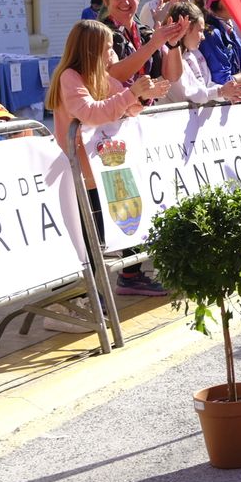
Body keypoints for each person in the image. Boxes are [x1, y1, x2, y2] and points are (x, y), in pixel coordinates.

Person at [47, 21, 174, 298]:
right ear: (91, 50)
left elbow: (129, 108)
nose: (112, 54)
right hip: (79, 174)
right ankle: (70, 302)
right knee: (84, 243)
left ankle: (89, 298)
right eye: (107, 48)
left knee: (99, 241)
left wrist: (142, 95)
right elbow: (90, 112)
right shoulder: (70, 77)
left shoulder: (101, 77)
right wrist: (132, 93)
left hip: (99, 173)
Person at [99, 0, 185, 89]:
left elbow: (172, 76)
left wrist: (174, 44)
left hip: (143, 106)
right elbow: (114, 76)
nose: (125, 2)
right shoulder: (99, 34)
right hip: (116, 106)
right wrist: (153, 44)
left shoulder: (145, 33)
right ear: (106, 0)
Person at [160, 2, 241, 105]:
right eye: (200, 31)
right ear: (186, 28)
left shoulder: (196, 54)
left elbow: (208, 85)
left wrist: (228, 93)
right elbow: (187, 96)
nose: (203, 37)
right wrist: (220, 92)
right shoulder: (168, 55)